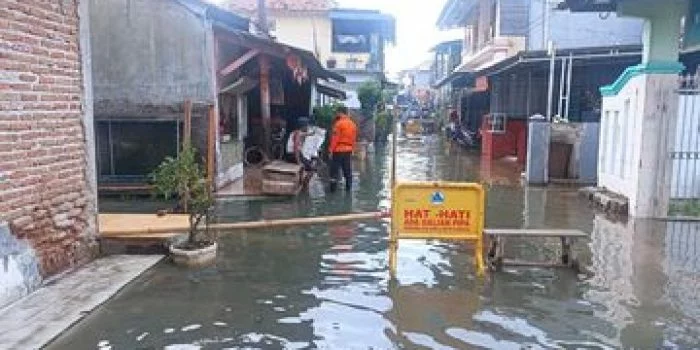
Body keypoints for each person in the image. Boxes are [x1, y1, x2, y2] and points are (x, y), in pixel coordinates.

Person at [328, 106, 358, 192]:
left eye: (336, 112)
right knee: (347, 170)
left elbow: (335, 138)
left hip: (338, 150)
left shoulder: (338, 124)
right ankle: (348, 189)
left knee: (334, 170)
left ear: (340, 112)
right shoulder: (353, 124)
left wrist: (330, 150)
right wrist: (352, 149)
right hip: (348, 150)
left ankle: (332, 191)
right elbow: (354, 139)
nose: (336, 114)